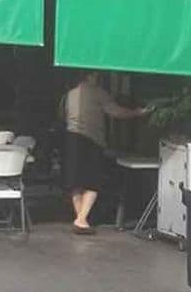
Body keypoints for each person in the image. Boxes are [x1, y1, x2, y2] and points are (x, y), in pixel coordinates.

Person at [61, 72, 145, 234]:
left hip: (71, 137)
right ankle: (81, 218)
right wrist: (137, 113)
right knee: (93, 181)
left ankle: (81, 218)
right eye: (97, 76)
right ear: (91, 76)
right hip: (92, 139)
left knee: (75, 181)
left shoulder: (70, 94)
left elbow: (63, 115)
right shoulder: (98, 92)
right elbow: (115, 111)